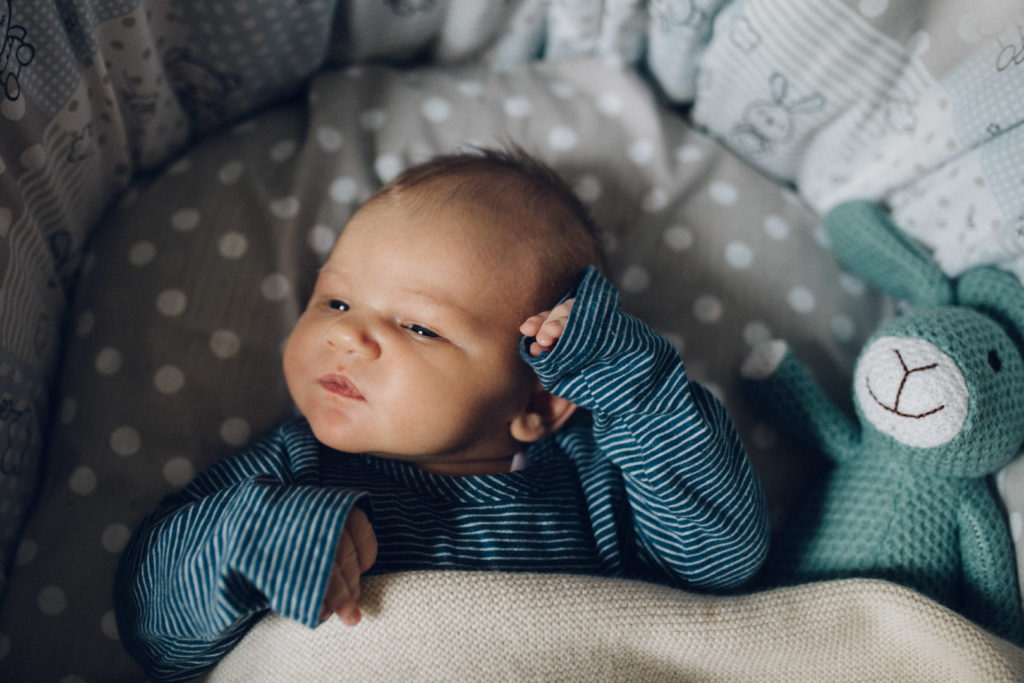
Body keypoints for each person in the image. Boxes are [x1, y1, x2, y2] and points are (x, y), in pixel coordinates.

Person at [115, 147, 769, 681]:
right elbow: (153, 632)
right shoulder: (295, 470)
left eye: (420, 327)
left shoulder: (586, 479)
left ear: (538, 400)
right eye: (337, 302)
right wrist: (246, 536)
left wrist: (628, 379)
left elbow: (724, 558)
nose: (347, 337)